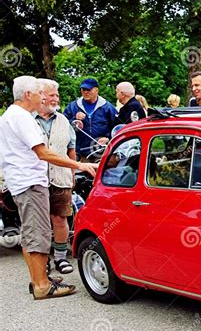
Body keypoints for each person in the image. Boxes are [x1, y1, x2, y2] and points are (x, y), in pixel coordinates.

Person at [0, 76, 97, 300]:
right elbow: (43, 153)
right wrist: (78, 164)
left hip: (21, 182)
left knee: (30, 234)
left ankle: (37, 280)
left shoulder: (9, 116)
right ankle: (42, 285)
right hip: (30, 183)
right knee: (38, 235)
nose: (42, 97)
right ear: (27, 95)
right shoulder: (22, 118)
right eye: (38, 93)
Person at [35, 79, 76, 275]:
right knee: (39, 222)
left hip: (61, 177)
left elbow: (71, 150)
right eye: (52, 95)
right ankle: (42, 260)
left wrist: (73, 174)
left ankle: (60, 258)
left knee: (60, 218)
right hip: (35, 179)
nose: (56, 99)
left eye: (57, 95)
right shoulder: (27, 119)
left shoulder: (64, 120)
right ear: (40, 96)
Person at [63, 78, 117, 160]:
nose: (85, 92)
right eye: (83, 89)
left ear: (96, 90)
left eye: (89, 89)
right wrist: (74, 120)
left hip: (101, 153)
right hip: (79, 154)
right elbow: (62, 125)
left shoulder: (107, 107)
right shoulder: (73, 107)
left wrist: (108, 138)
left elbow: (117, 128)